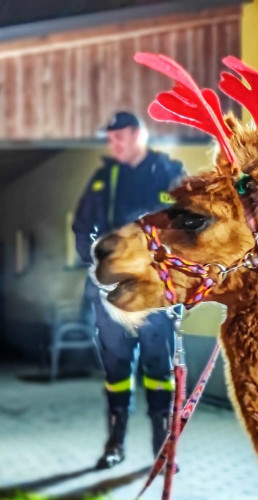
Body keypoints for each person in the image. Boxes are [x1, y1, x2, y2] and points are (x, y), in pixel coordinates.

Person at [72, 111, 186, 469]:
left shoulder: (169, 174)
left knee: (160, 370)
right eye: (110, 139)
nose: (114, 145)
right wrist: (96, 266)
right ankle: (115, 444)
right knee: (116, 371)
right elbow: (81, 228)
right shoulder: (104, 180)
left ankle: (162, 448)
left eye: (119, 137)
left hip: (157, 293)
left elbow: (187, 228)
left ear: (139, 134)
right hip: (113, 296)